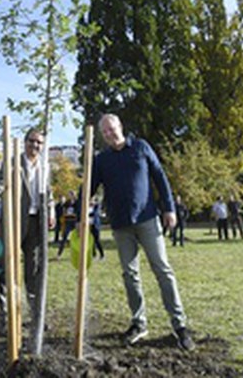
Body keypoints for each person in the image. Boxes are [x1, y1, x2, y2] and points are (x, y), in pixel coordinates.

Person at [85, 113, 195, 351]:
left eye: (111, 129)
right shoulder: (101, 160)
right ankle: (139, 322)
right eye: (104, 132)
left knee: (163, 270)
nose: (109, 134)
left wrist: (169, 208)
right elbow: (89, 189)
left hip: (147, 219)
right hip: (120, 225)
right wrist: (79, 211)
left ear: (120, 126)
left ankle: (180, 326)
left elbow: (160, 177)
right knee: (130, 274)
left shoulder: (141, 147)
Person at [0, 128, 55, 332]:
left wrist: (52, 212)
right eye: (32, 141)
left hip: (35, 225)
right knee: (6, 271)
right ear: (25, 142)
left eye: (39, 142)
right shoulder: (14, 163)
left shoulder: (45, 165)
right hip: (13, 223)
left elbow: (48, 194)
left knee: (34, 271)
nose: (35, 146)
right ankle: (5, 318)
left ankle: (36, 316)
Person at [56, 190, 78, 258]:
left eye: (70, 195)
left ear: (73, 195)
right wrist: (65, 214)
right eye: (68, 195)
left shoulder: (77, 202)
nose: (69, 196)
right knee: (64, 238)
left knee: (77, 239)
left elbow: (79, 212)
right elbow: (64, 210)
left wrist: (74, 214)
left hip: (75, 222)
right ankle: (59, 254)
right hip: (68, 221)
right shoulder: (67, 203)